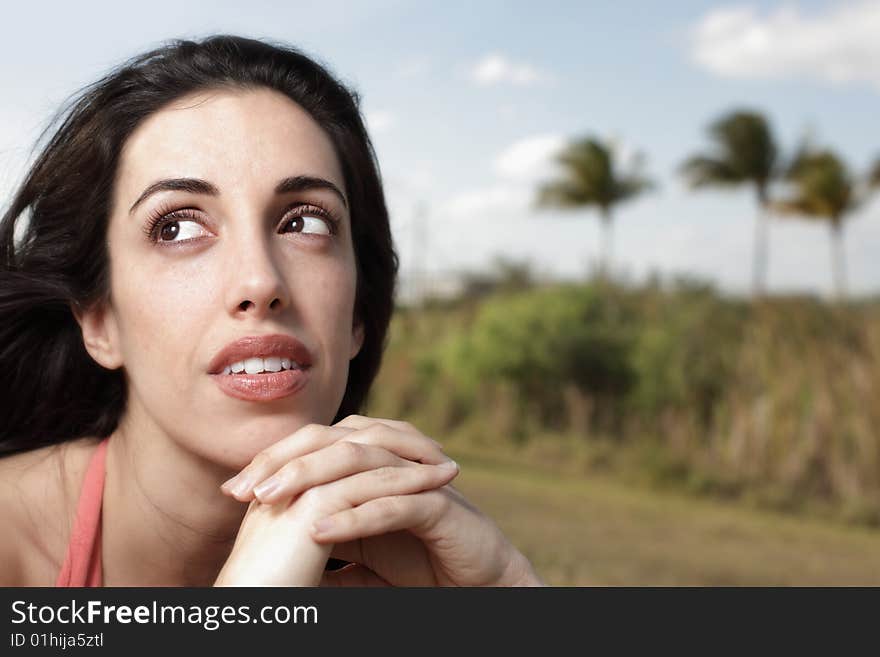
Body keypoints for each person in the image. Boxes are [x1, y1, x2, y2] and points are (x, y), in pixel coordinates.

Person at [0, 35, 543, 587]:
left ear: (357, 310)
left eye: (304, 222)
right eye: (178, 227)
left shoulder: (415, 578)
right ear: (98, 318)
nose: (261, 282)